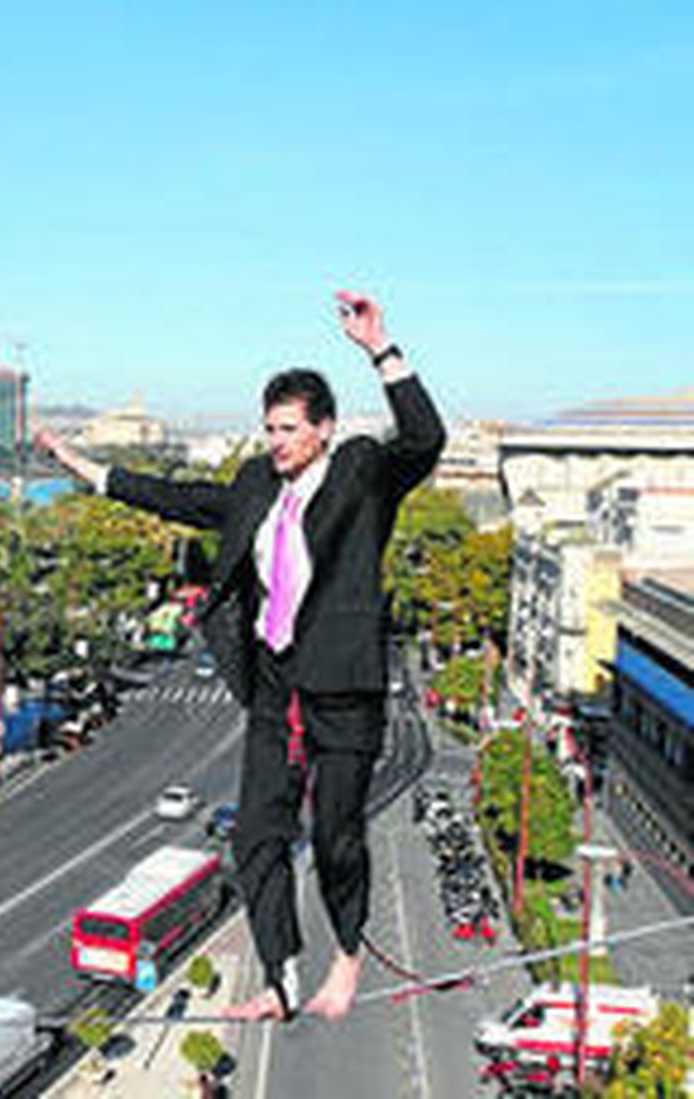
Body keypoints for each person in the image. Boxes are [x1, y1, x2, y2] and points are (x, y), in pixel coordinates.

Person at [37, 290, 444, 1021]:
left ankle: (346, 958)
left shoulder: (360, 472)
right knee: (257, 834)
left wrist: (381, 350)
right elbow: (177, 497)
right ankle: (282, 976)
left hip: (344, 686)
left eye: (289, 428)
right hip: (276, 682)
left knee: (336, 836)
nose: (277, 441)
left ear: (324, 428)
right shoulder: (258, 483)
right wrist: (85, 468)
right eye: (270, 428)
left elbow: (424, 439)